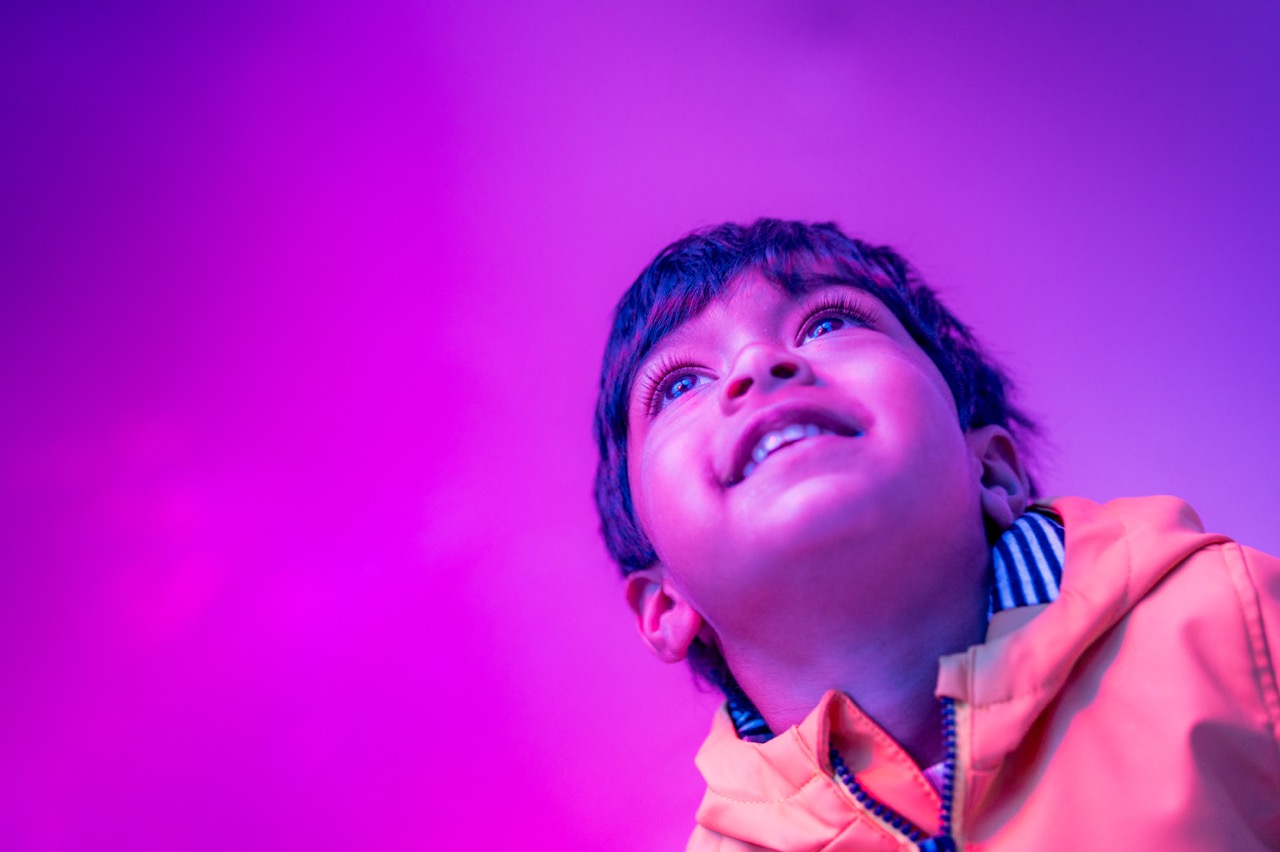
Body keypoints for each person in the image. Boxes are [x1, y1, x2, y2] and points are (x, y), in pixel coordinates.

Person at [592, 219, 1280, 850]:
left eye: (828, 323)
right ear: (665, 605)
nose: (756, 366)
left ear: (993, 469)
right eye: (678, 386)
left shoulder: (1235, 624)